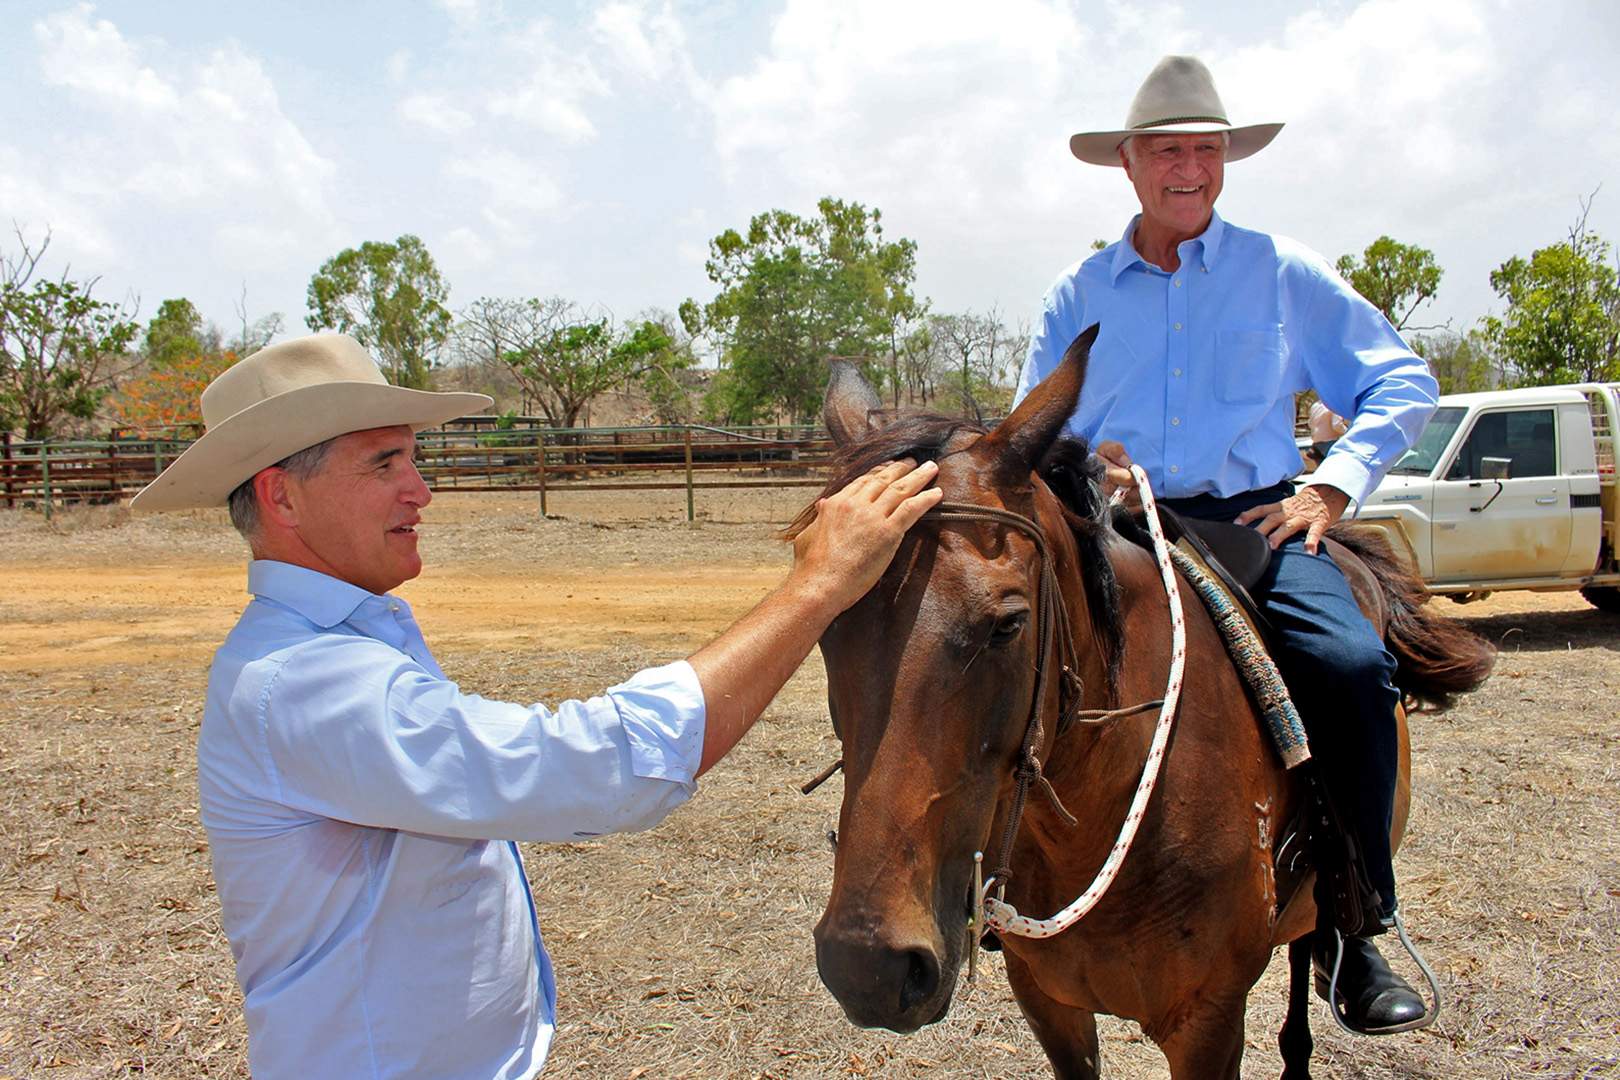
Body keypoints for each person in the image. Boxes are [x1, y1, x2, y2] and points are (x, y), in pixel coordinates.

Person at [130, 333, 942, 1079]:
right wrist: (816, 589)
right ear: (281, 496)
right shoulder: (301, 681)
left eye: (413, 459)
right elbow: (579, 768)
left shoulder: (333, 643)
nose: (422, 491)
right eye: (383, 464)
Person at [1014, 55, 1439, 1035]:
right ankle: (991, 887)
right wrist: (1085, 466)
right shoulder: (1078, 292)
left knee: (1351, 663)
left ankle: (1355, 926)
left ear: (1225, 161)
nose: (1190, 169)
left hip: (1254, 523)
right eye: (1169, 151)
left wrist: (1334, 484)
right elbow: (1026, 433)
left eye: (1207, 150)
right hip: (1117, 530)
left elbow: (1401, 382)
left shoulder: (1280, 271)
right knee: (997, 657)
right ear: (1128, 164)